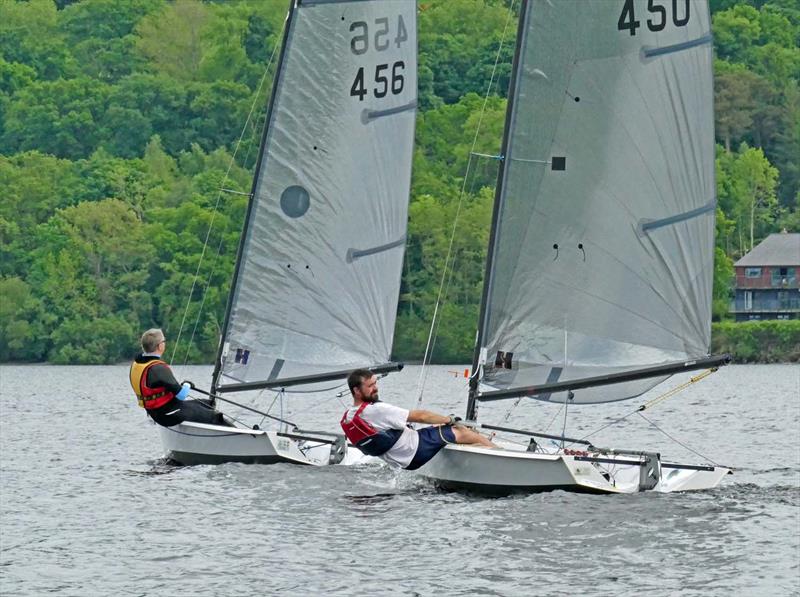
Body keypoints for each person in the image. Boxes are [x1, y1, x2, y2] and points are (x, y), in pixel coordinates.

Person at [340, 368, 497, 470]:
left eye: (376, 383)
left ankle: (479, 446)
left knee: (441, 428)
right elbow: (421, 416)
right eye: (370, 386)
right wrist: (449, 419)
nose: (376, 388)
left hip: (403, 460)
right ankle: (499, 453)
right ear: (357, 390)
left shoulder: (349, 416)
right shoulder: (377, 410)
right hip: (417, 450)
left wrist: (441, 423)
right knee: (461, 431)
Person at [129, 328, 229, 427]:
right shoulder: (158, 368)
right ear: (160, 346)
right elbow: (182, 395)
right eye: (164, 341)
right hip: (166, 415)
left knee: (208, 403)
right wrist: (187, 385)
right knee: (215, 417)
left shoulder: (137, 364)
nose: (165, 343)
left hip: (157, 411)